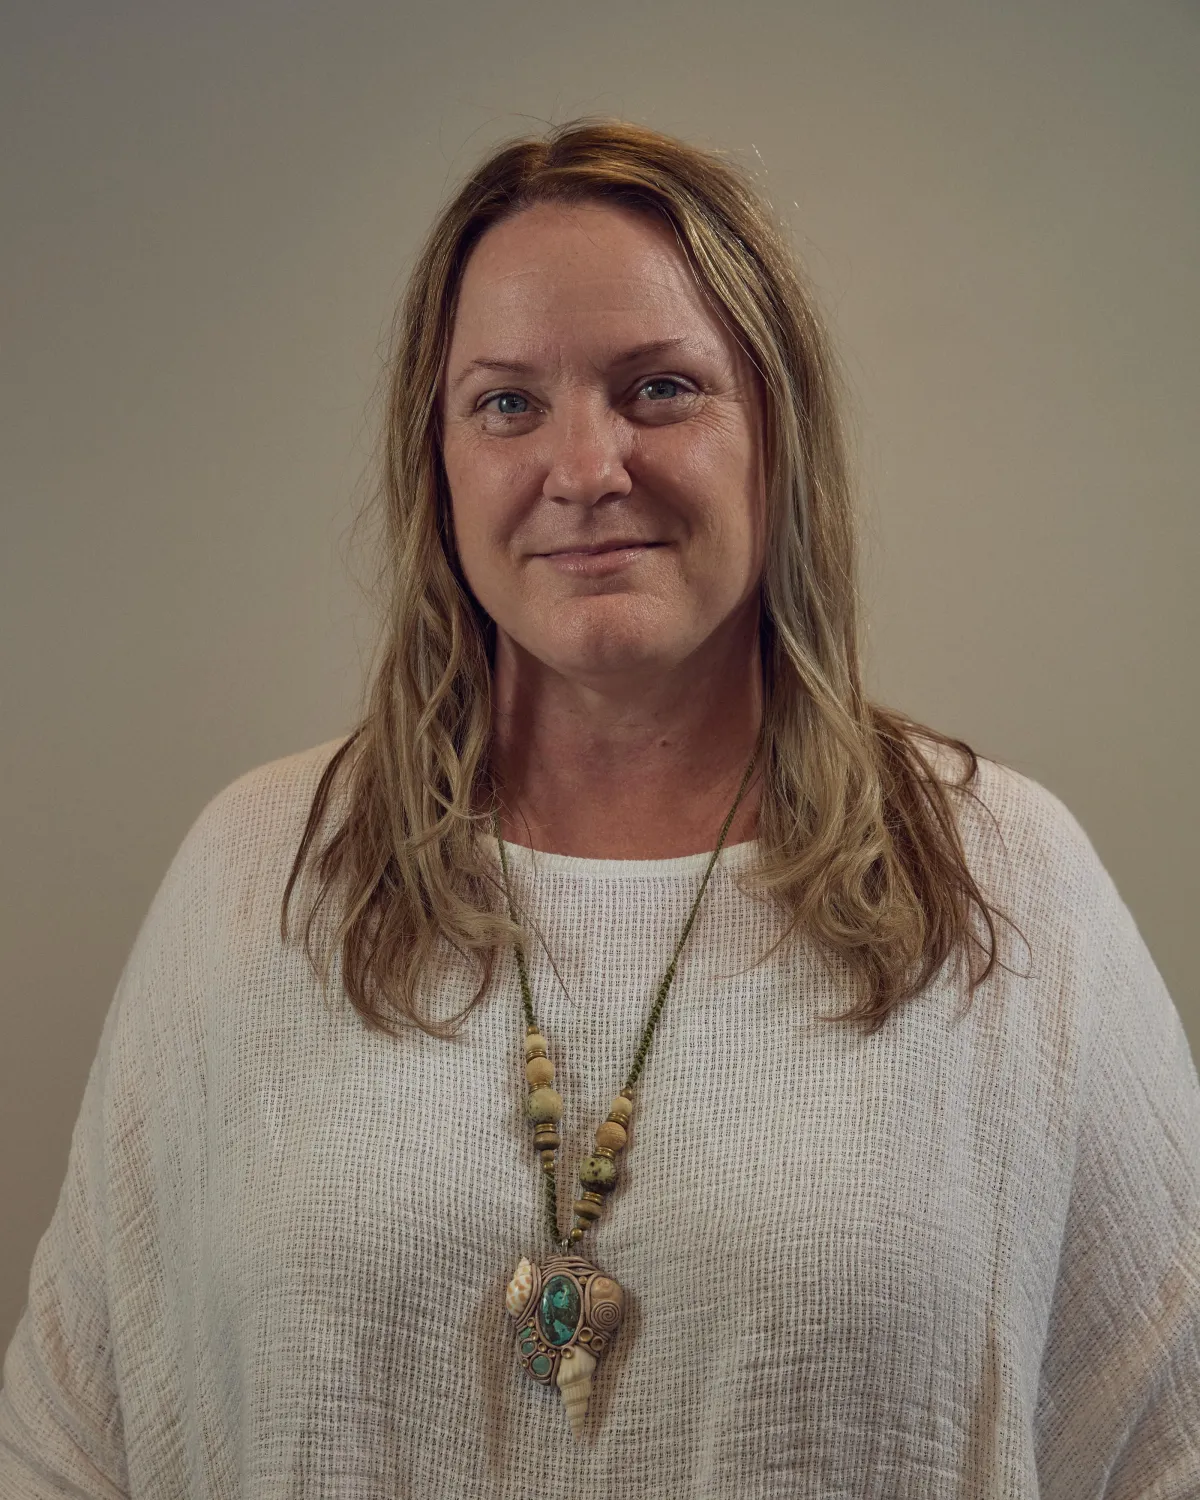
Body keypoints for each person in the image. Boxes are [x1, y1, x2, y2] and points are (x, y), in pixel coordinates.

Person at [2, 118, 1197, 1499]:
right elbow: (69, 1439)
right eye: (507, 403)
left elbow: (1170, 1437)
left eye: (659, 389)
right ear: (437, 461)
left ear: (778, 433)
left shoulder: (1003, 878)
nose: (583, 469)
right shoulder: (261, 873)